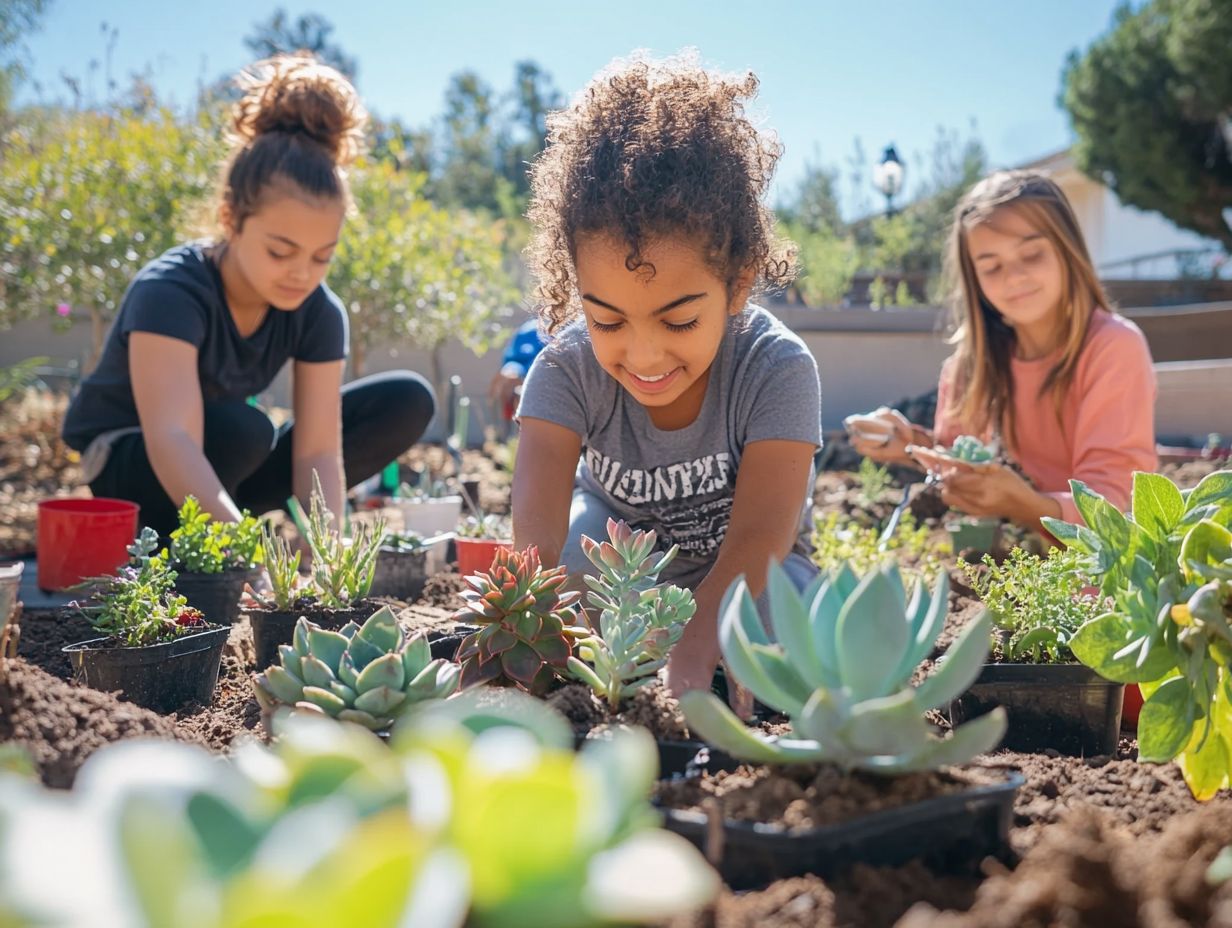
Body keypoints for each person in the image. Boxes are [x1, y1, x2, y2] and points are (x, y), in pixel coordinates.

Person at [511, 53, 822, 699]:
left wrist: (701, 638)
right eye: (608, 321)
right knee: (575, 560)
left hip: (753, 569)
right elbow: (535, 553)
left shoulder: (778, 369)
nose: (645, 357)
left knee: (791, 626)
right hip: (626, 576)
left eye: (678, 322)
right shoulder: (563, 373)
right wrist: (524, 645)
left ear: (737, 284)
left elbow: (764, 536)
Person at [61, 53, 435, 536]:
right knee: (245, 430)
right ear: (230, 220)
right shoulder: (170, 291)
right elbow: (172, 436)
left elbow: (318, 450)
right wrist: (242, 552)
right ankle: (207, 535)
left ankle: (222, 520)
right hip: (131, 460)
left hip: (224, 461)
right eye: (281, 252)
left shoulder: (318, 311)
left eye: (322, 256)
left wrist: (327, 551)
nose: (302, 273)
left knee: (405, 399)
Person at [850, 170, 1157, 530]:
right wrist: (910, 446)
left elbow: (1112, 505)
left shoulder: (1113, 347)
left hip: (1101, 570)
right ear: (974, 280)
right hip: (1012, 563)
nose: (1013, 276)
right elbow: (960, 460)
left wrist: (1026, 506)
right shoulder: (969, 365)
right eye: (992, 266)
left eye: (1031, 254)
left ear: (1067, 249)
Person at [488, 318, 547, 422]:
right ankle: (503, 418)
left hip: (533, 371)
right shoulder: (528, 330)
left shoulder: (540, 330)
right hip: (521, 367)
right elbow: (510, 356)